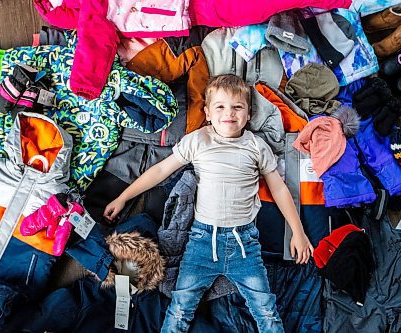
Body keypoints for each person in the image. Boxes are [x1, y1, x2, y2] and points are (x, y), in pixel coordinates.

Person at [104, 74, 314, 333]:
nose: (230, 113)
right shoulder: (198, 140)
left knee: (266, 311)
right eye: (221, 106)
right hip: (202, 242)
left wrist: (298, 232)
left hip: (245, 243)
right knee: (180, 308)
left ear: (248, 113)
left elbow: (280, 189)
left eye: (238, 107)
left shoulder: (256, 146)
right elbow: (160, 171)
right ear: (208, 112)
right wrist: (123, 197)